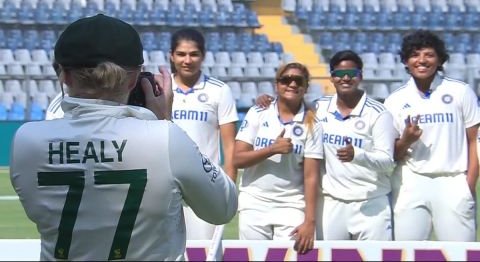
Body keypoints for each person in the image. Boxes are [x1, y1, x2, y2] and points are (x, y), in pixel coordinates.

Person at [9, 14, 238, 260]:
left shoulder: (26, 140)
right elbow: (223, 207)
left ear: (64, 75)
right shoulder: (165, 137)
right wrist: (164, 122)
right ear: (134, 79)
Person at [384, 30, 480, 241]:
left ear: (439, 60)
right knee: (407, 254)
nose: (422, 60)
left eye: (429, 55)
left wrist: (469, 184)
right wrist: (407, 140)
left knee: (460, 254)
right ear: (406, 61)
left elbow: (475, 141)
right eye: (415, 55)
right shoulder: (395, 100)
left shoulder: (460, 92)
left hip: (453, 180)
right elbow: (391, 154)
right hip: (410, 182)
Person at [234, 62, 323, 254]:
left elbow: (311, 177)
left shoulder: (312, 123)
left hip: (291, 205)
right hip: (254, 203)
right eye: (286, 79)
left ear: (306, 86)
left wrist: (310, 220)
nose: (292, 84)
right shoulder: (258, 112)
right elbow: (237, 159)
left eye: (298, 80)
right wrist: (271, 149)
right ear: (277, 84)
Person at [313, 50, 395, 240]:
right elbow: (289, 108)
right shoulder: (317, 108)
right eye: (340, 74)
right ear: (332, 78)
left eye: (352, 74)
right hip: (331, 203)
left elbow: (387, 162)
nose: (346, 78)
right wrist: (267, 102)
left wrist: (357, 155)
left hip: (372, 204)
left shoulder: (379, 113)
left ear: (360, 77)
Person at [169, 28, 239, 240]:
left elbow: (229, 147)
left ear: (203, 56)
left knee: (201, 252)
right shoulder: (160, 89)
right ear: (171, 56)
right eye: (181, 54)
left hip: (205, 186)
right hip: (167, 185)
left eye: (193, 54)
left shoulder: (219, 90)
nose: (187, 60)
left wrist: (228, 191)